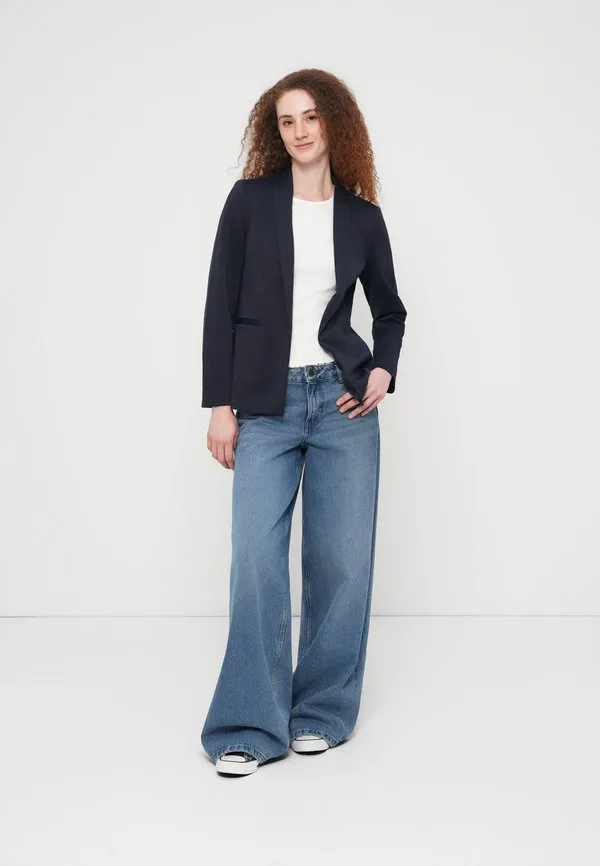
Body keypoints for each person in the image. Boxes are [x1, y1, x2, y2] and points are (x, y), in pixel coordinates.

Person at [199, 68, 408, 776]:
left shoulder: (362, 217)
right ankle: (248, 724)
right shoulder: (250, 201)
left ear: (334, 123)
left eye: (311, 116)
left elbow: (389, 310)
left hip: (343, 402)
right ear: (276, 131)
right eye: (287, 120)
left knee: (341, 561)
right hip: (265, 401)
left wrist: (382, 370)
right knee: (256, 559)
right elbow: (220, 302)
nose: (300, 130)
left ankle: (321, 712)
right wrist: (220, 404)